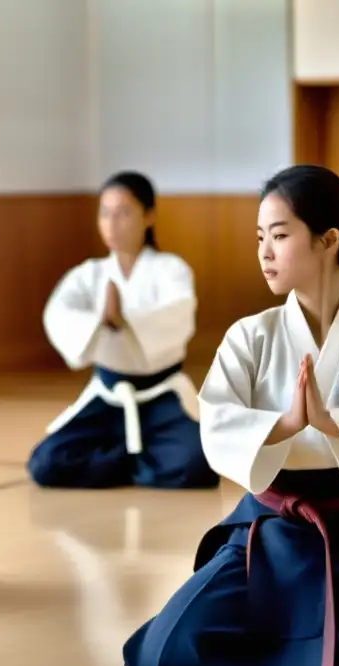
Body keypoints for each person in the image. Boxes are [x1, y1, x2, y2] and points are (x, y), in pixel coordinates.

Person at [122, 164, 339, 666]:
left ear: (328, 240)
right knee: (166, 654)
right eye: (260, 238)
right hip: (266, 534)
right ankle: (322, 658)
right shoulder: (251, 336)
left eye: (279, 236)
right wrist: (286, 424)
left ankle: (292, 653)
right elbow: (217, 424)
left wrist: (334, 422)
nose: (265, 252)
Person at [27, 171, 218, 489]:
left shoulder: (171, 269)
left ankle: (123, 459)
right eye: (105, 213)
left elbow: (178, 312)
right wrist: (100, 319)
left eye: (124, 213)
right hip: (108, 395)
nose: (113, 223)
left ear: (149, 216)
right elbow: (58, 312)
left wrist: (125, 319)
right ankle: (138, 462)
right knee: (46, 463)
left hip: (161, 395)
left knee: (198, 465)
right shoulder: (89, 274)